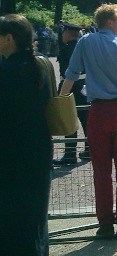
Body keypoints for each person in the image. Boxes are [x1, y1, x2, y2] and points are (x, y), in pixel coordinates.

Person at [59, 3, 117, 238]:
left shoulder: (85, 42)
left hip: (98, 111)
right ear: (110, 21)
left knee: (101, 172)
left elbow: (71, 75)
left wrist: (61, 100)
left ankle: (105, 223)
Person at [0, 14, 53, 255]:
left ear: (8, 38)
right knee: (36, 218)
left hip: (10, 154)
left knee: (12, 221)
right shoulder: (41, 65)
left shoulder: (6, 71)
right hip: (39, 150)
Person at [53, 21, 89, 165]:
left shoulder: (68, 48)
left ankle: (69, 154)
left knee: (69, 121)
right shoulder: (80, 47)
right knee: (86, 120)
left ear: (68, 34)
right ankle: (89, 149)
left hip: (71, 87)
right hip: (83, 86)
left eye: (64, 32)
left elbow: (67, 73)